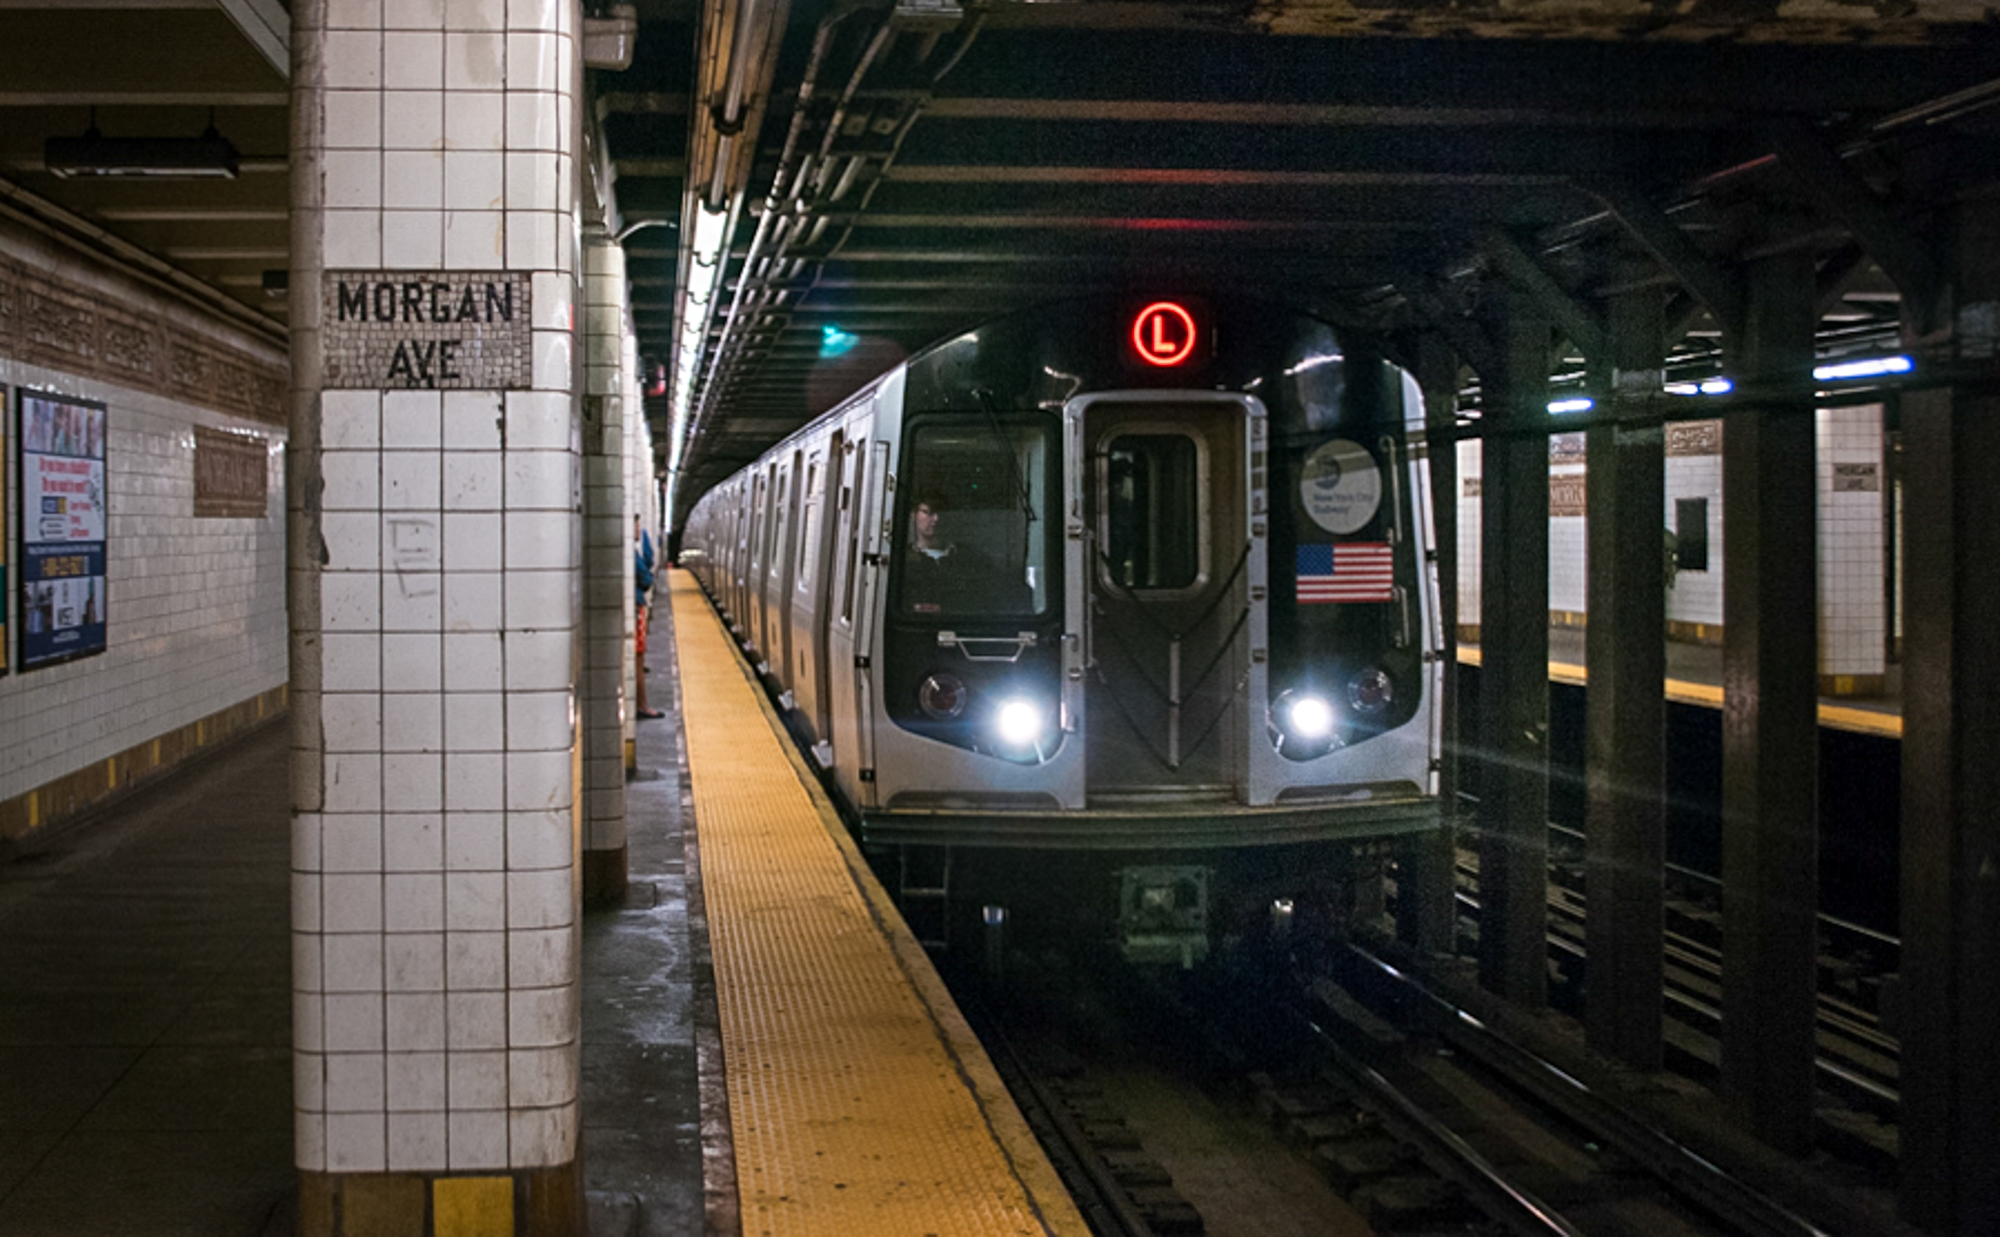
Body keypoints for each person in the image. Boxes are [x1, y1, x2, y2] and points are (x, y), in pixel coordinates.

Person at [634, 515, 664, 720]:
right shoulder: (631, 553)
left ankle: (641, 704)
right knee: (637, 659)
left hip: (635, 606)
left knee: (637, 659)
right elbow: (646, 577)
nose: (640, 530)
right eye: (637, 526)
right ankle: (642, 705)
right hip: (636, 607)